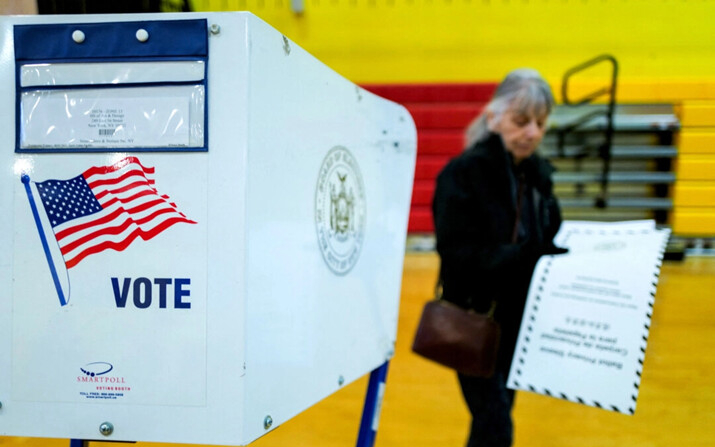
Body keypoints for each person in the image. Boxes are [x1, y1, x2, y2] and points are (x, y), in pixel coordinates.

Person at [432, 68, 568, 447]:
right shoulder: (462, 175)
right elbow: (458, 255)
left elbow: (548, 233)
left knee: (493, 419)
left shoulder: (537, 176)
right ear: (493, 117)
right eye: (521, 121)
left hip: (518, 323)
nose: (533, 133)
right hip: (472, 320)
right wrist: (525, 256)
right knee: (496, 425)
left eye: (540, 123)